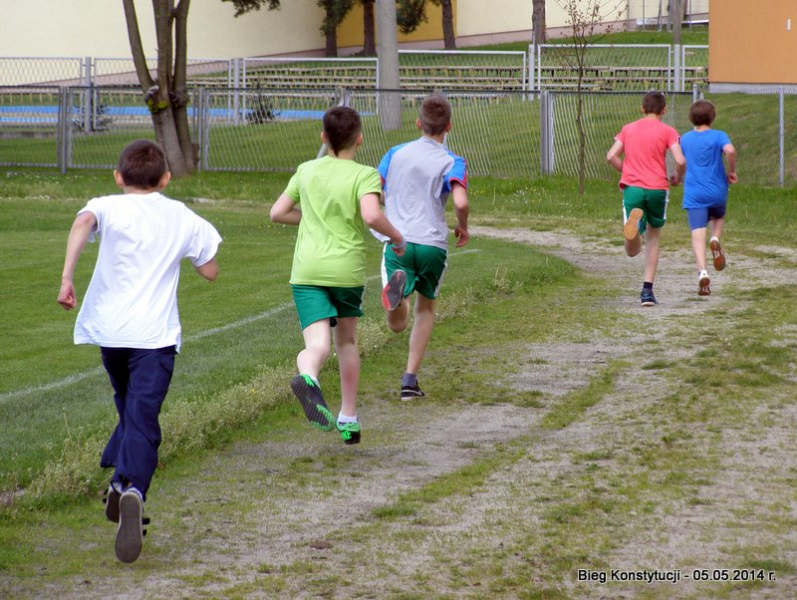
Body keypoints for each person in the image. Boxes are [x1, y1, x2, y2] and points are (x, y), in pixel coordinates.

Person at [57, 140, 222, 563]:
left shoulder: (106, 206)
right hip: (154, 337)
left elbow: (82, 223)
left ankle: (119, 480)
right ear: (165, 179)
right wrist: (195, 259)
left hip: (111, 334)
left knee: (130, 408)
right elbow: (210, 271)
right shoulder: (181, 215)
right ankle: (131, 488)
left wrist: (67, 277)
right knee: (143, 418)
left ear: (118, 177)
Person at [270, 106, 405, 445]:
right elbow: (371, 215)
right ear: (359, 138)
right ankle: (348, 417)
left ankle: (309, 378)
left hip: (307, 271)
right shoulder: (365, 175)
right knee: (346, 341)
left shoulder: (306, 170)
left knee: (316, 345)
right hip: (346, 272)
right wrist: (397, 237)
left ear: (323, 138)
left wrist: (311, 219)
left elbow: (277, 212)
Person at [376, 94, 469, 401]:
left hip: (399, 239)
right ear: (449, 126)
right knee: (426, 309)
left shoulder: (395, 153)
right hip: (432, 244)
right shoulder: (452, 161)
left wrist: (390, 203)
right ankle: (409, 381)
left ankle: (396, 301)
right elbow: (460, 202)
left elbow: (375, 187)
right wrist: (463, 226)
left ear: (418, 123)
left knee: (397, 324)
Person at [607, 91, 686, 306]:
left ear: (642, 108)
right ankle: (647, 292)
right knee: (654, 237)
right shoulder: (668, 131)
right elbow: (680, 160)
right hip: (657, 188)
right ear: (664, 110)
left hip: (633, 187)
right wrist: (677, 177)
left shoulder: (628, 129)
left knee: (632, 251)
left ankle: (633, 230)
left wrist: (627, 170)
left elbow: (611, 156)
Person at [680, 99, 737, 296]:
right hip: (717, 190)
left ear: (691, 118)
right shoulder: (718, 135)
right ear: (712, 118)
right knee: (718, 217)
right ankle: (715, 237)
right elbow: (730, 150)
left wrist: (677, 176)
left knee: (697, 234)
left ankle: (703, 272)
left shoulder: (685, 138)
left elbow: (680, 160)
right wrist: (732, 170)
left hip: (694, 192)